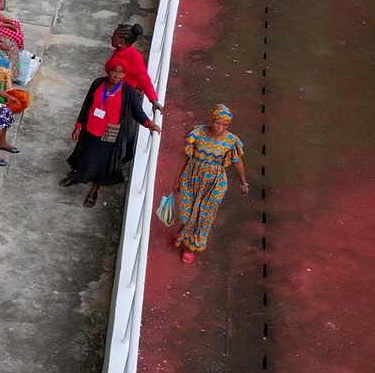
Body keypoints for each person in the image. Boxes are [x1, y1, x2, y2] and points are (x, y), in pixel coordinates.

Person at [61, 60, 158, 206]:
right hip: (91, 126)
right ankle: (78, 175)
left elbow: (137, 111)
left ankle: (94, 190)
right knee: (85, 153)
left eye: (121, 73)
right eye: (114, 72)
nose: (117, 76)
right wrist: (78, 125)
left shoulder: (128, 91)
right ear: (108, 72)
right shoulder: (98, 83)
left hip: (110, 132)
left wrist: (149, 124)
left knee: (104, 161)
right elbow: (87, 104)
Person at [172, 104, 248, 263]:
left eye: (225, 125)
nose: (220, 128)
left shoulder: (230, 141)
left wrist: (243, 183)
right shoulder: (198, 133)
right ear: (212, 120)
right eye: (217, 123)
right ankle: (185, 232)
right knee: (186, 213)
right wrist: (177, 179)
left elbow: (237, 162)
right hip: (192, 177)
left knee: (203, 217)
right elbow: (184, 156)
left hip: (214, 183)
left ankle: (190, 247)